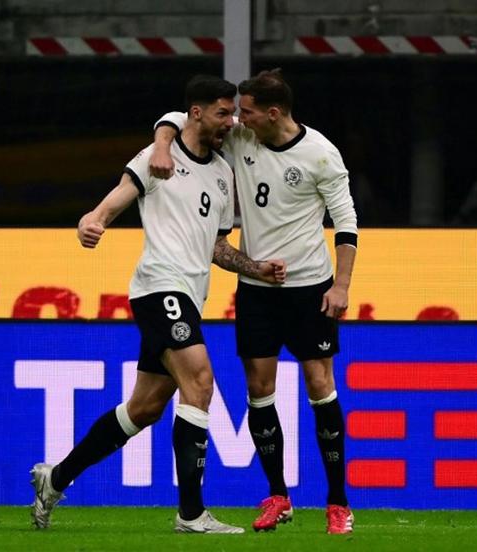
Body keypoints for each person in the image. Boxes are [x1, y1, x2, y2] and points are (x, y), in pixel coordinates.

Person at [29, 75, 286, 534]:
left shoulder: (223, 173)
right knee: (201, 381)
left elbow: (217, 248)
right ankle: (191, 513)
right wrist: (95, 219)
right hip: (158, 289)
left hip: (190, 294)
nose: (230, 122)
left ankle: (56, 478)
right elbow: (116, 198)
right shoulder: (158, 157)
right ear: (196, 113)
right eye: (222, 113)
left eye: (233, 113)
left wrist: (254, 267)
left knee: (144, 408)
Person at [149, 69, 358, 535]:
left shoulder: (321, 155)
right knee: (258, 389)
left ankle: (338, 503)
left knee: (319, 383)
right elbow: (181, 117)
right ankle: (278, 496)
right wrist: (162, 143)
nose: (237, 119)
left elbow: (346, 225)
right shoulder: (244, 138)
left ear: (273, 113)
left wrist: (340, 286)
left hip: (309, 288)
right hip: (258, 290)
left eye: (246, 111)